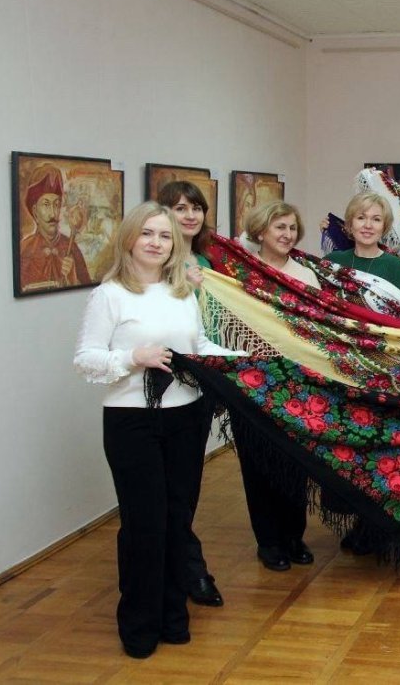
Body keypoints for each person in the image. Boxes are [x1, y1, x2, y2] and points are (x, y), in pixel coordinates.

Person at [74, 202, 236, 658]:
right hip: (131, 422)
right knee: (144, 523)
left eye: (165, 236)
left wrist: (249, 362)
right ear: (130, 238)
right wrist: (133, 358)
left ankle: (173, 616)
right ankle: (139, 624)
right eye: (147, 233)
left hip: (186, 417)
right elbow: (85, 359)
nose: (156, 243)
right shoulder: (110, 295)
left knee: (177, 518)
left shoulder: (182, 292)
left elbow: (199, 345)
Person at [237, 201, 317, 570]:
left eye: (291, 228)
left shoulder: (305, 276)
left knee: (294, 462)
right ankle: (268, 541)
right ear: (260, 231)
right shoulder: (241, 272)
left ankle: (293, 536)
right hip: (251, 381)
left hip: (296, 382)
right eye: (279, 227)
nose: (286, 235)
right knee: (257, 462)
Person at [155, 181, 221, 608]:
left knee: (186, 485)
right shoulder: (155, 264)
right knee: (161, 489)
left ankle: (182, 564)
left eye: (196, 208)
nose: (191, 215)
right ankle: (186, 569)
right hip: (161, 388)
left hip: (201, 383)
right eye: (180, 208)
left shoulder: (206, 260)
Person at [325, 192, 400, 297]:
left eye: (376, 219)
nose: (368, 225)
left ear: (384, 226)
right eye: (361, 218)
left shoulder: (397, 267)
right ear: (350, 224)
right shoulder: (332, 261)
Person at [20, 163, 92, 291]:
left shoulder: (72, 248)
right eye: (46, 205)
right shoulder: (25, 249)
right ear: (35, 212)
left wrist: (72, 278)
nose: (53, 214)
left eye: (56, 205)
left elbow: (89, 289)